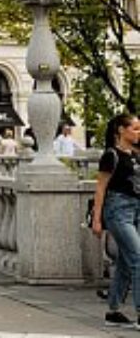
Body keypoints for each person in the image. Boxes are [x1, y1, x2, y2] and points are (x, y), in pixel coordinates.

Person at [92, 114, 140, 328]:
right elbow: (101, 188)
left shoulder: (137, 155)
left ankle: (114, 310)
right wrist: (97, 219)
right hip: (118, 210)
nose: (139, 133)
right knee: (138, 259)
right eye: (135, 129)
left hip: (137, 209)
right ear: (121, 130)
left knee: (124, 261)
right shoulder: (111, 155)